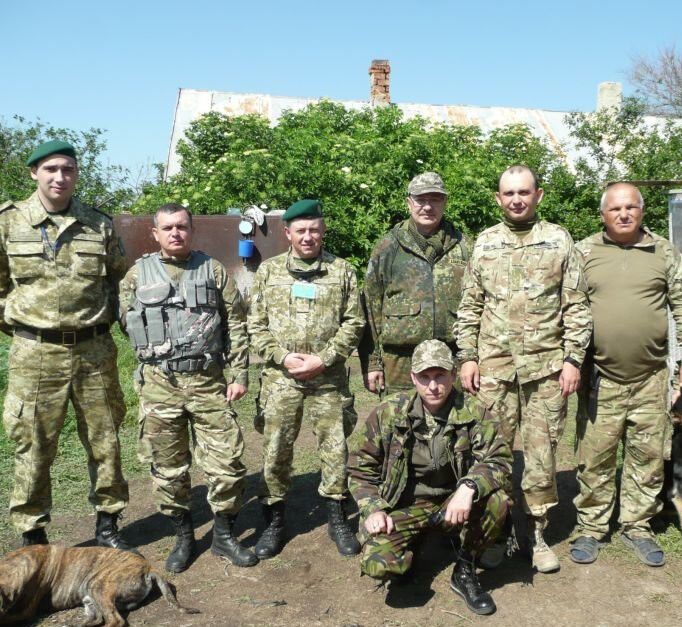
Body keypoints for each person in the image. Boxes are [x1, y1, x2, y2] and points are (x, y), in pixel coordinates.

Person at [454, 165, 592, 573]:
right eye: (509, 193)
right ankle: (494, 531)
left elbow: (577, 306)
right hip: (493, 371)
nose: (517, 199)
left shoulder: (559, 240)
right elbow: (470, 306)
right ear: (498, 198)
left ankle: (536, 533)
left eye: (524, 192)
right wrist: (467, 357)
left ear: (539, 195)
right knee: (490, 452)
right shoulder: (486, 243)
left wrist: (572, 360)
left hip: (546, 371)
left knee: (541, 455)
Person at [0, 140, 134, 550]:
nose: (60, 177)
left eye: (68, 170)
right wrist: (25, 326)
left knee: (104, 437)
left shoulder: (98, 224)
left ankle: (108, 524)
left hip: (94, 351)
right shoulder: (8, 222)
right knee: (33, 441)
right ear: (34, 173)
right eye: (51, 169)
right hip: (35, 353)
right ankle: (32, 535)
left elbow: (119, 281)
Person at [570, 182, 682, 568]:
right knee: (595, 457)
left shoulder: (664, 252)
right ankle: (591, 527)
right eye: (615, 209)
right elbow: (569, 307)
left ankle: (637, 525)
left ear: (642, 211)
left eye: (631, 207)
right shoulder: (583, 253)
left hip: (650, 377)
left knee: (646, 456)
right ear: (603, 214)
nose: (624, 214)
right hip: (600, 378)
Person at [119, 203, 256, 570]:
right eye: (167, 228)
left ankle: (224, 536)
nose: (175, 233)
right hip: (159, 385)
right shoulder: (136, 275)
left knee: (226, 462)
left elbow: (237, 325)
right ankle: (183, 535)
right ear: (155, 233)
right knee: (167, 467)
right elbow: (125, 322)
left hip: (208, 382)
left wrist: (239, 375)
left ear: (191, 230)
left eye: (182, 226)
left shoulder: (211, 270)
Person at [347, 339, 511, 615]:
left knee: (499, 500)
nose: (433, 386)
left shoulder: (474, 411)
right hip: (408, 505)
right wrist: (373, 508)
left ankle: (465, 567)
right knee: (379, 563)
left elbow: (500, 458)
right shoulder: (389, 412)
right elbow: (359, 467)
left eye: (440, 376)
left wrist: (469, 487)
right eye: (424, 377)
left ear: (453, 374)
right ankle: (414, 547)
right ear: (413, 377)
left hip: (455, 504)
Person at [248, 199, 364, 559]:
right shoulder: (268, 273)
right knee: (276, 449)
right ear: (288, 233)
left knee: (335, 449)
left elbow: (354, 322)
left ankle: (337, 516)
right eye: (301, 230)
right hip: (281, 380)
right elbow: (255, 325)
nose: (308, 236)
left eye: (314, 229)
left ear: (323, 230)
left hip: (327, 378)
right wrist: (283, 357)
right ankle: (275, 520)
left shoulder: (342, 271)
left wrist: (324, 358)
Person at [360, 172, 472, 394]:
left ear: (445, 202)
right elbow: (370, 308)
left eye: (435, 200)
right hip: (399, 362)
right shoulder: (388, 247)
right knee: (401, 422)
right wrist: (373, 363)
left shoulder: (465, 246)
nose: (428, 207)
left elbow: (478, 304)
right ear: (409, 202)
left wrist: (472, 358)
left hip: (450, 359)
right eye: (421, 200)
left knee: (454, 423)